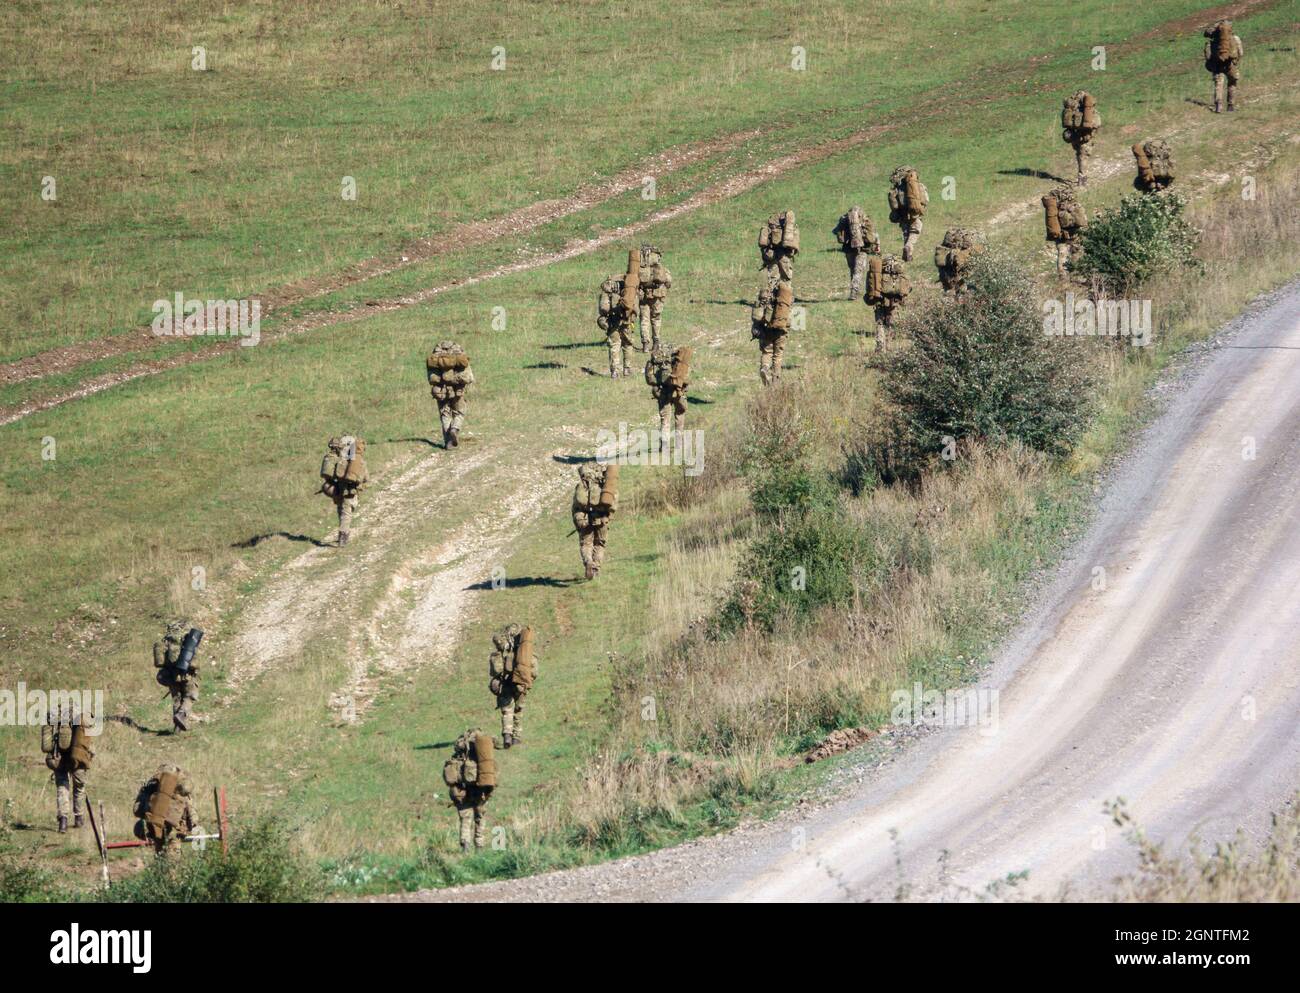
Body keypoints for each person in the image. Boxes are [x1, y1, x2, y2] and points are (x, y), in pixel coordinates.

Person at [1203, 20, 1243, 113]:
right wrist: (1236, 61)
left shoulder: (1213, 41)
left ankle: (1218, 106)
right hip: (1230, 64)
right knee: (1232, 82)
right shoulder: (1235, 38)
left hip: (1217, 64)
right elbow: (1241, 52)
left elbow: (1207, 54)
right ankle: (1230, 106)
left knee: (1218, 84)